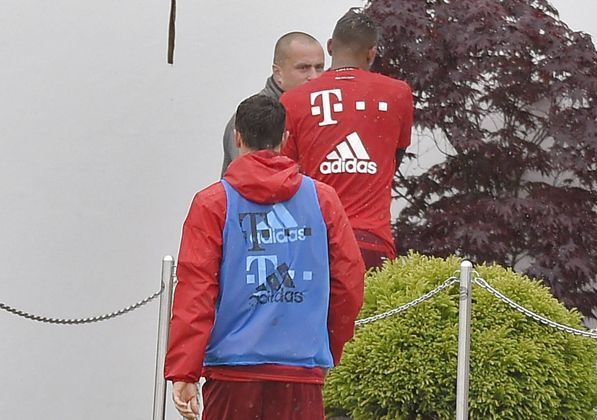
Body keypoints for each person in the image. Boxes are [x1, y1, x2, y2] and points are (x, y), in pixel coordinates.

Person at [165, 94, 365, 420]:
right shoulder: (322, 199)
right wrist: (328, 348)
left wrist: (185, 370)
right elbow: (348, 281)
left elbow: (196, 290)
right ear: (285, 139)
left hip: (231, 373)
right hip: (299, 370)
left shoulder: (212, 203)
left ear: (237, 137)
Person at [280, 9, 414, 270]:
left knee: (320, 312)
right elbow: (395, 156)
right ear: (371, 52)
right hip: (372, 239)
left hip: (316, 239)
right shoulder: (398, 93)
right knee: (376, 311)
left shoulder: (292, 101)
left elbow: (288, 173)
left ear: (330, 46)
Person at [220, 32, 325, 175]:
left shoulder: (322, 111)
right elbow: (251, 179)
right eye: (303, 68)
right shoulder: (252, 117)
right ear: (278, 73)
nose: (314, 77)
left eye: (319, 67)